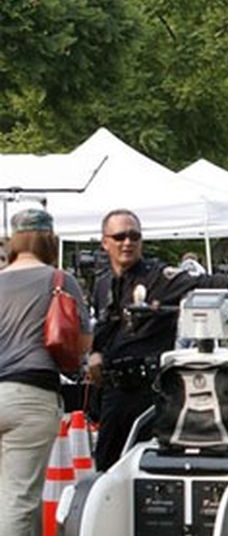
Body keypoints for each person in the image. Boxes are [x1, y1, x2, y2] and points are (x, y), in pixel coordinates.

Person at [88, 209, 228, 471]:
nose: (127, 242)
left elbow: (202, 281)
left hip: (149, 390)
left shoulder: (158, 277)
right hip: (114, 391)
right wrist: (95, 353)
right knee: (106, 468)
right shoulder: (102, 284)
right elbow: (103, 328)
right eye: (120, 236)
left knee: (149, 467)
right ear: (105, 242)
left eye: (134, 236)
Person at [0, 209, 92, 536]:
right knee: (20, 498)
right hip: (32, 395)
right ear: (50, 239)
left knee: (11, 496)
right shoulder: (59, 280)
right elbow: (81, 343)